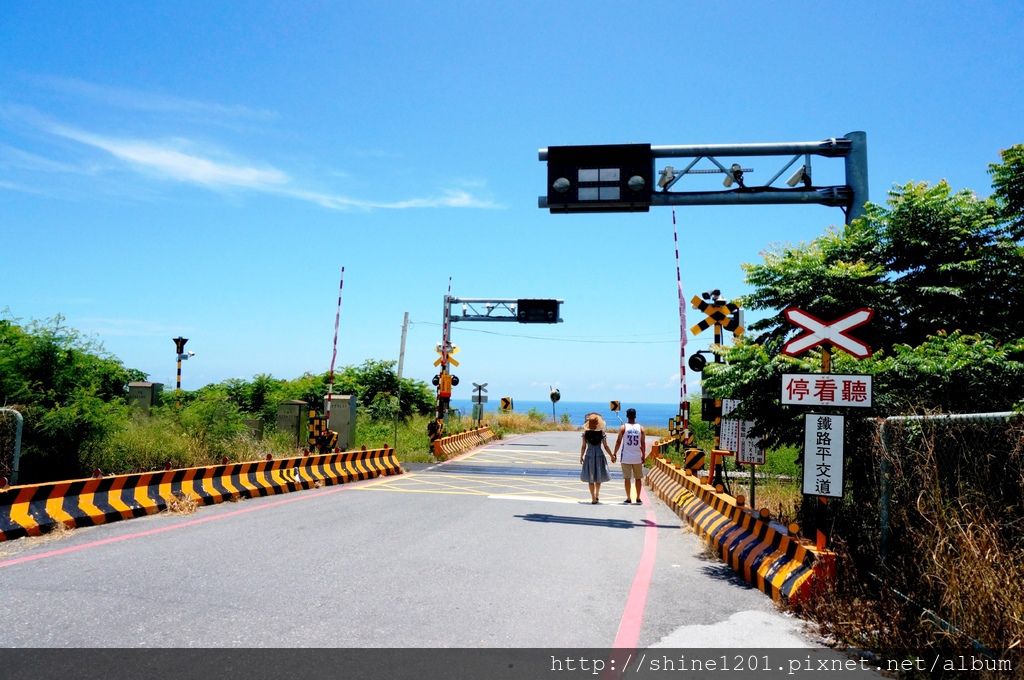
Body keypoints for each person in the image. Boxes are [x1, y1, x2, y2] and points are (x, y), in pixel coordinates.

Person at [613, 408, 646, 504]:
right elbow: (642, 443)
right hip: (637, 457)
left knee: (627, 478)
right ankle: (638, 497)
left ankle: (628, 498)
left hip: (626, 457)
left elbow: (619, 441)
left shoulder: (623, 427)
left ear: (627, 416)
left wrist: (614, 453)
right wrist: (643, 455)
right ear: (635, 416)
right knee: (638, 478)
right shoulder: (641, 428)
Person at [580, 413, 614, 504]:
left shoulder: (585, 434)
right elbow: (606, 446)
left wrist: (581, 456)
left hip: (589, 455)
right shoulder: (601, 433)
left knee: (591, 478)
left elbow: (583, 446)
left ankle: (593, 498)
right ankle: (597, 494)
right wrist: (612, 456)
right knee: (598, 476)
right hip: (599, 455)